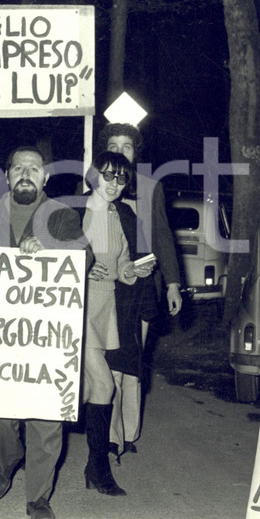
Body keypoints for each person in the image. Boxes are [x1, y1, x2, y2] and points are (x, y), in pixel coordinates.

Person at [0, 146, 89, 519]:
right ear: (7, 176)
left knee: (46, 418)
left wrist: (51, 250)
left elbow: (83, 257)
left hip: (46, 338)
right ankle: (7, 460)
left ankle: (38, 498)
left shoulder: (62, 216)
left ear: (45, 178)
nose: (26, 173)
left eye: (34, 168)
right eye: (18, 168)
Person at [98, 122, 183, 460]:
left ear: (136, 153)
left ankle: (129, 431)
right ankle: (110, 435)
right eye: (113, 146)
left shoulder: (150, 188)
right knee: (109, 364)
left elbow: (162, 236)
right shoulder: (95, 185)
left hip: (143, 288)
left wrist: (173, 283)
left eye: (127, 146)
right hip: (106, 288)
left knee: (132, 361)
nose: (120, 152)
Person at [77, 151, 155, 497]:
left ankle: (95, 466)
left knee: (95, 389)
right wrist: (80, 266)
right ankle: (98, 467)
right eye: (107, 175)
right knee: (104, 385)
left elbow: (121, 262)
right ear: (94, 175)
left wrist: (134, 270)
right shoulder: (72, 210)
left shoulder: (120, 214)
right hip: (78, 306)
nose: (114, 184)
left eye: (121, 178)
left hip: (107, 307)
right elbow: (53, 255)